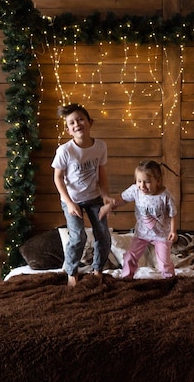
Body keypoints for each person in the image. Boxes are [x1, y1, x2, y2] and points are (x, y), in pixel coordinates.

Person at [52, 103, 114, 287]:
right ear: (68, 130)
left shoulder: (100, 147)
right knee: (79, 237)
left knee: (103, 235)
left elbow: (101, 173)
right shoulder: (65, 151)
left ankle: (97, 270)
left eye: (80, 119)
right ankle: (72, 271)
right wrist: (69, 203)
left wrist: (105, 196)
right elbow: (58, 178)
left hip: (94, 197)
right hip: (72, 200)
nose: (77, 124)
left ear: (90, 122)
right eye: (72, 123)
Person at [99, 160, 178, 278]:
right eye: (139, 181)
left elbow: (173, 214)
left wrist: (173, 231)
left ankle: (169, 280)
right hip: (142, 233)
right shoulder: (135, 190)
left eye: (147, 182)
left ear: (158, 181)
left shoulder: (165, 196)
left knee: (164, 263)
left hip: (162, 235)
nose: (142, 186)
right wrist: (110, 205)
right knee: (130, 256)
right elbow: (123, 199)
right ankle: (126, 278)